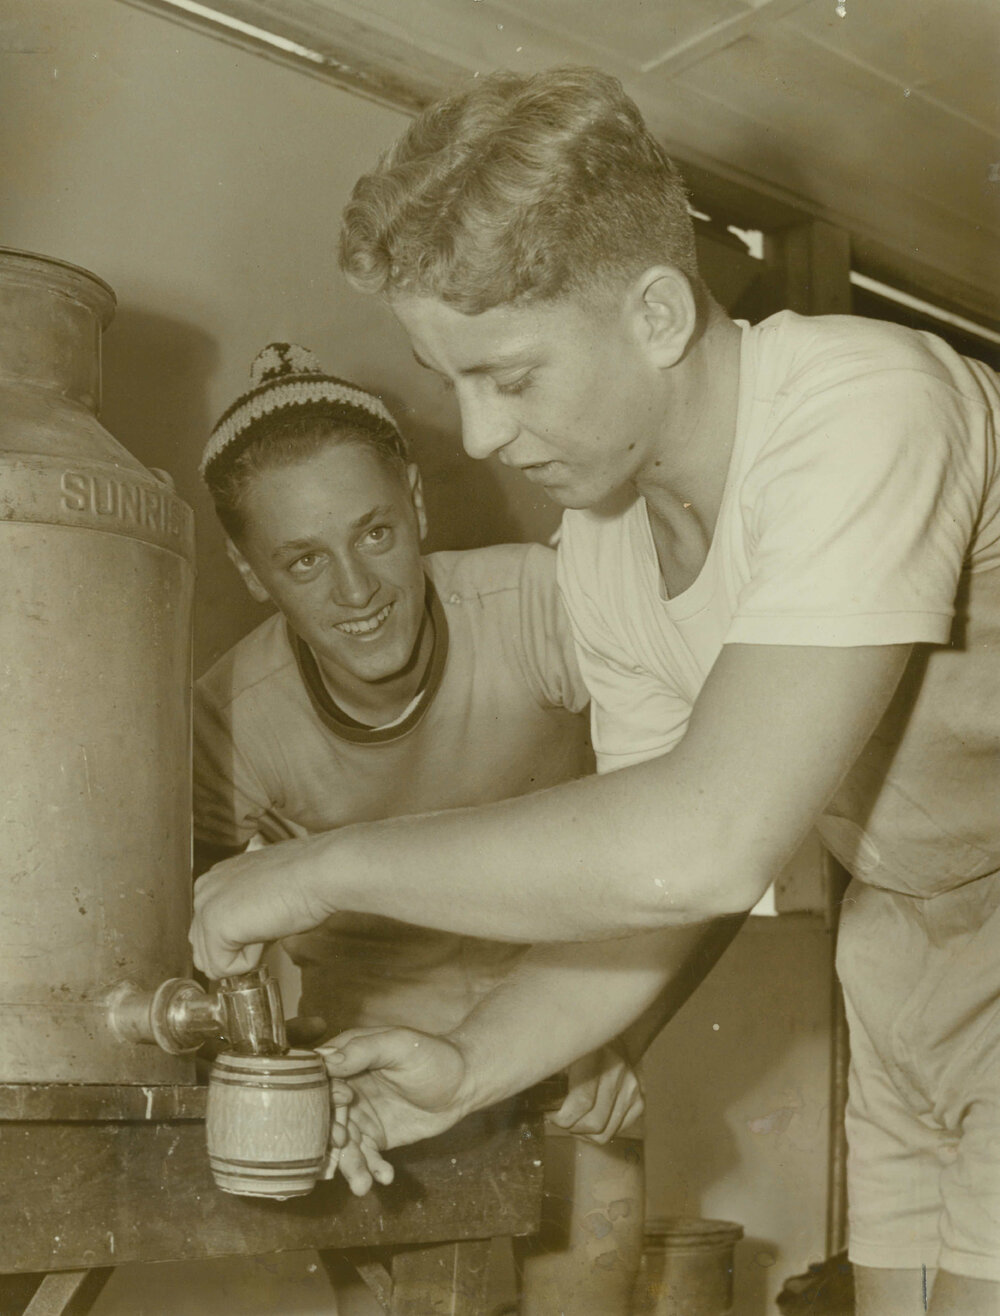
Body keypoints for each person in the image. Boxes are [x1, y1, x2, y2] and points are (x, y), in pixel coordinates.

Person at [190, 69, 1000, 1316]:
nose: (472, 436)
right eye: (446, 377)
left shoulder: (863, 406)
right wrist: (466, 1063)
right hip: (903, 945)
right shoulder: (607, 547)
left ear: (660, 313)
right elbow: (648, 893)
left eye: (508, 376)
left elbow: (708, 841)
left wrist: (318, 866)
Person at [194, 343, 729, 1313]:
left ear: (415, 502)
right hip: (371, 1074)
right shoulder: (230, 716)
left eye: (375, 533)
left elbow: (711, 827)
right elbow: (205, 960)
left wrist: (623, 1029)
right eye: (303, 560)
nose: (356, 590)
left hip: (565, 1022)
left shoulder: (540, 604)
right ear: (248, 568)